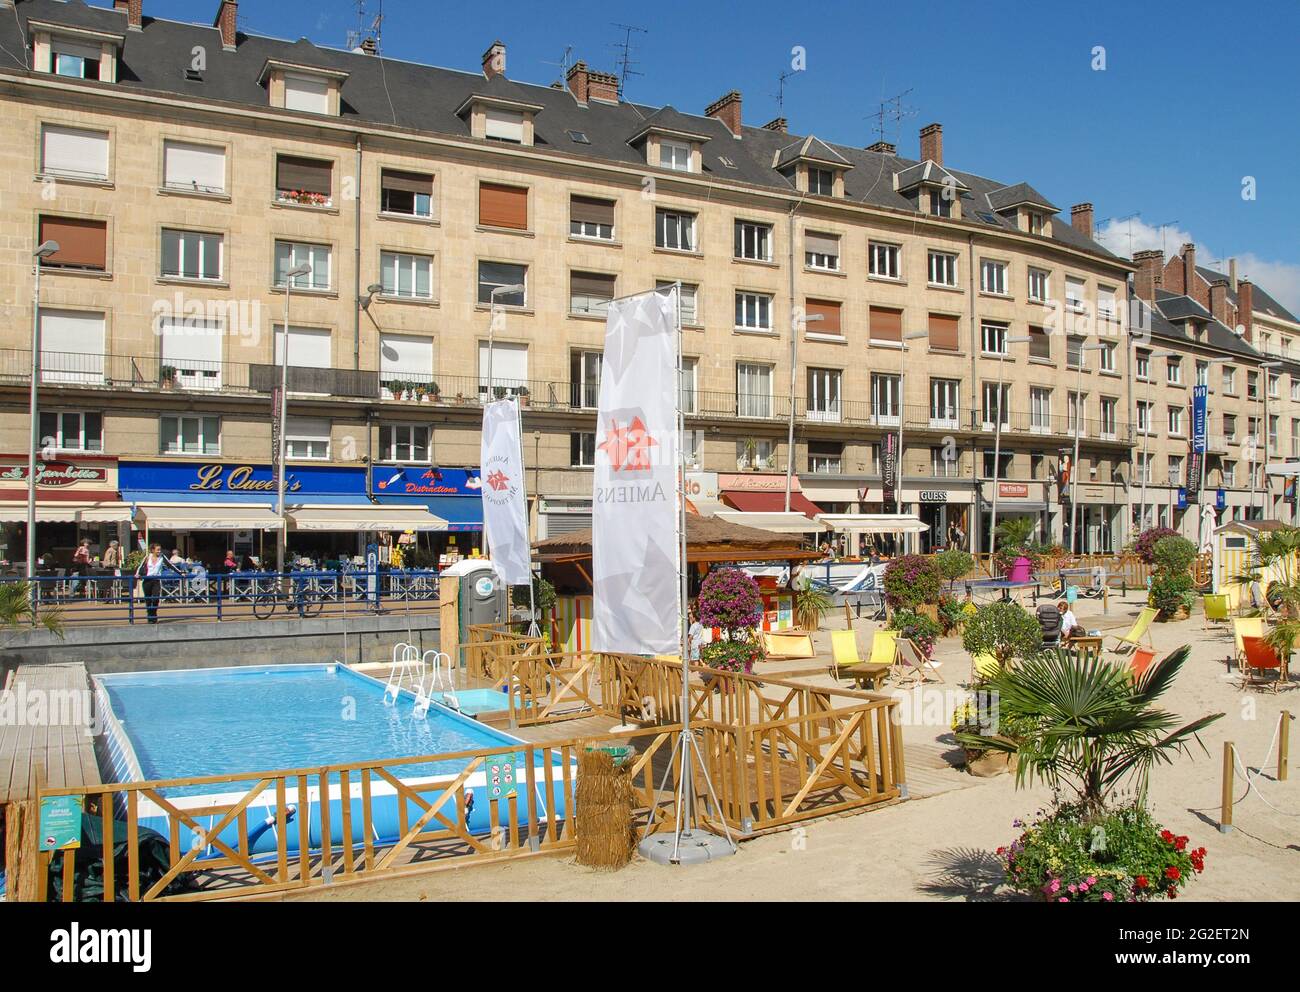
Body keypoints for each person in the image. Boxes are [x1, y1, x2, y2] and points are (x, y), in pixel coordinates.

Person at [136, 544, 171, 624]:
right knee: (148, 599)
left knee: (155, 598)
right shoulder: (148, 557)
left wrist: (181, 573)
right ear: (153, 550)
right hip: (147, 580)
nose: (159, 551)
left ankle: (153, 614)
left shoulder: (162, 557)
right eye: (157, 550)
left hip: (156, 580)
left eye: (160, 549)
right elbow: (140, 566)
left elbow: (170, 565)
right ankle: (150, 616)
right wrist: (137, 574)